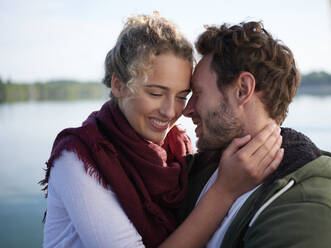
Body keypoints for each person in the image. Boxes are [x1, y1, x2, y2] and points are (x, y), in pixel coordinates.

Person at [40, 13, 283, 248]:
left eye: (181, 96)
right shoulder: (77, 158)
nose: (170, 112)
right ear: (119, 85)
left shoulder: (179, 147)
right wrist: (224, 191)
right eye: (156, 93)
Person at [180, 20, 331, 247]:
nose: (186, 110)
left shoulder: (304, 204)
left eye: (198, 94)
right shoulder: (195, 170)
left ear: (242, 90)